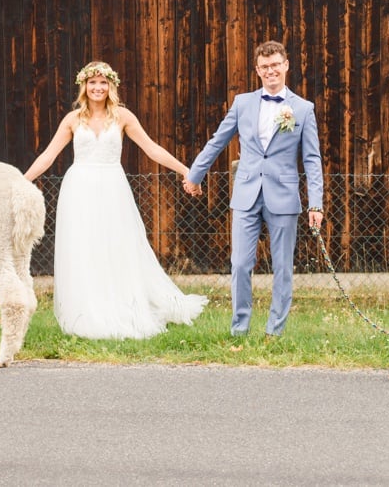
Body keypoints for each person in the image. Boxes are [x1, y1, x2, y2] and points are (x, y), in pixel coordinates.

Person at [24, 61, 206, 339]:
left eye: (103, 83)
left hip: (112, 188)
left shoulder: (122, 117)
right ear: (84, 86)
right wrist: (22, 181)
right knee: (84, 248)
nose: (97, 88)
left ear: (111, 86)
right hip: (79, 189)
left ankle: (122, 306)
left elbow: (151, 148)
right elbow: (48, 156)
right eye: (92, 82)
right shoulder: (73, 120)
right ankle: (87, 311)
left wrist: (186, 171)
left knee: (117, 246)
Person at [184, 39, 324, 337]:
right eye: (264, 67)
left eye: (275, 65)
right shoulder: (243, 103)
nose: (270, 71)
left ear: (285, 65)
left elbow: (312, 160)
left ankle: (274, 331)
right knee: (240, 264)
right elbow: (217, 141)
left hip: (284, 197)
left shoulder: (303, 109)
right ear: (257, 70)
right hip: (246, 195)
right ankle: (240, 329)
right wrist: (195, 174)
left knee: (283, 268)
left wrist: (316, 204)